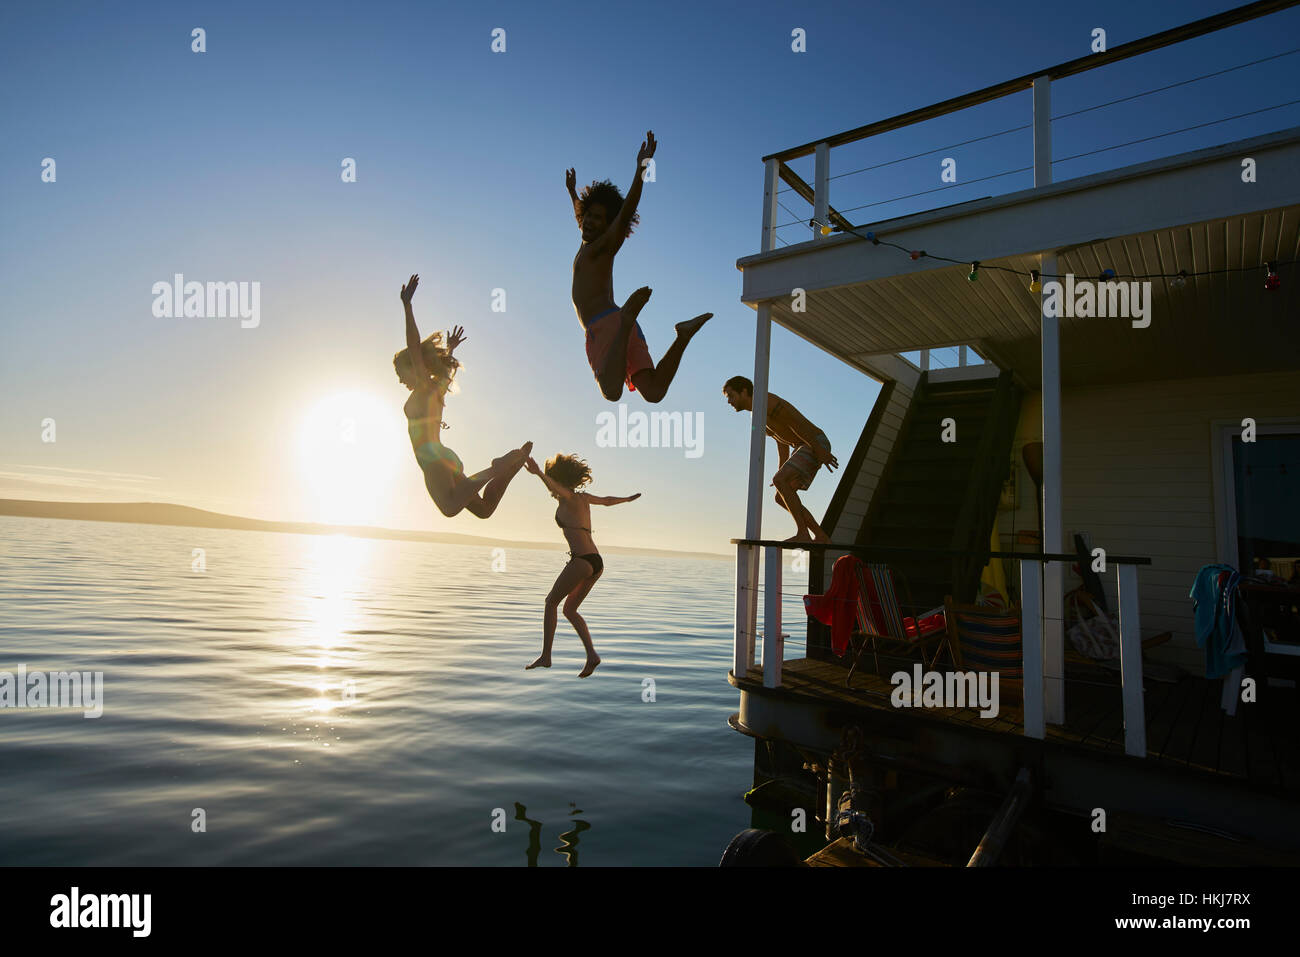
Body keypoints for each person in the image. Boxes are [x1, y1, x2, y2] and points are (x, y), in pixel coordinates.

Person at [567, 130, 712, 401]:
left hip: (609, 326)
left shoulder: (602, 247)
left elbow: (624, 214)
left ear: (610, 225)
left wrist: (641, 169)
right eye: (587, 216)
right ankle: (682, 336)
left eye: (598, 219)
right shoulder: (588, 240)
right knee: (654, 391)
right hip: (622, 324)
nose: (588, 222)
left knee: (611, 391)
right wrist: (572, 191)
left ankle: (625, 321)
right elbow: (581, 213)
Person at [395, 274, 530, 517]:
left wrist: (407, 307)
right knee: (484, 510)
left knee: (449, 508)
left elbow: (414, 346)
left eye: (401, 373)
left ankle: (496, 468)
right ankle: (510, 467)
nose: (400, 379)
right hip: (443, 457)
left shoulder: (426, 388)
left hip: (434, 461)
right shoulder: (436, 388)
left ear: (414, 367)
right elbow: (442, 368)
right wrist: (449, 351)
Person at [523, 453, 640, 677]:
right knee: (569, 609)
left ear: (558, 481)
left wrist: (538, 473)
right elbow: (606, 501)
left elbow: (556, 487)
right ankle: (592, 656)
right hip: (596, 561)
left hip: (582, 560)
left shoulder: (567, 497)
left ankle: (546, 655)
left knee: (550, 603)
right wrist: (625, 499)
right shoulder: (583, 498)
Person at [722, 375, 838, 542]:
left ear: (744, 391)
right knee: (780, 495)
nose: (729, 402)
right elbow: (780, 441)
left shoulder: (766, 401)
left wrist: (818, 449)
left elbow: (794, 424)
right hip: (803, 446)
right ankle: (819, 535)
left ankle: (803, 534)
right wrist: (781, 469)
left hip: (813, 441)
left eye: (731, 396)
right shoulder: (756, 415)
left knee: (781, 481)